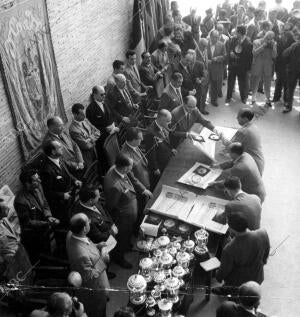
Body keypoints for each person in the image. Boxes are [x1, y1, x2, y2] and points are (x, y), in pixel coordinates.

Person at [103, 154, 152, 268]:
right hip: (123, 217)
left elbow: (133, 179)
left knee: (126, 236)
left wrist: (143, 189)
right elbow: (111, 206)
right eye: (130, 166)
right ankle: (119, 257)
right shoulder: (114, 185)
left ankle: (126, 246)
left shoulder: (121, 170)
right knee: (121, 238)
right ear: (124, 167)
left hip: (129, 215)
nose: (132, 167)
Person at [214, 213, 270, 294]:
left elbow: (224, 270)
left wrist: (217, 276)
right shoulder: (262, 233)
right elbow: (266, 251)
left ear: (232, 229)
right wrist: (263, 262)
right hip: (258, 277)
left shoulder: (229, 249)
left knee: (236, 297)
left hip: (239, 284)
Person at [66, 213, 109, 317]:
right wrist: (103, 260)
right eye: (88, 221)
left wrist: (98, 246)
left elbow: (87, 244)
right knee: (100, 312)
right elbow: (89, 277)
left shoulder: (73, 234)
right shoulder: (81, 255)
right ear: (84, 228)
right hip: (95, 292)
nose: (90, 221)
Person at [14, 169, 59, 262]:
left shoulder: (38, 187)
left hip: (44, 227)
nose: (40, 181)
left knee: (48, 250)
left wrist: (48, 216)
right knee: (40, 257)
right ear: (27, 183)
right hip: (34, 235)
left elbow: (45, 203)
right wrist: (47, 224)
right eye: (36, 180)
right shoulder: (20, 201)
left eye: (38, 178)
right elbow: (27, 223)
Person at [40, 140, 82, 225]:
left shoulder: (59, 158)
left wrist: (75, 180)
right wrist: (62, 195)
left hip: (70, 196)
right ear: (53, 152)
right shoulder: (46, 170)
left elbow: (67, 173)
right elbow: (47, 192)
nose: (62, 148)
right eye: (59, 147)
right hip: (61, 204)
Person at [86, 85, 119, 173]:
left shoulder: (106, 103)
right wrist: (105, 129)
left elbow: (111, 115)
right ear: (94, 95)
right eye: (101, 95)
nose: (104, 96)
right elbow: (92, 127)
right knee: (106, 160)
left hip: (112, 136)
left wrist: (114, 126)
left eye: (104, 94)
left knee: (115, 156)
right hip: (102, 140)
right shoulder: (90, 109)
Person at [222, 108, 264, 175]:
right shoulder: (253, 126)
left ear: (245, 119)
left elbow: (231, 147)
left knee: (222, 159)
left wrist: (222, 139)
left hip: (250, 165)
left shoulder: (243, 132)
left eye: (238, 117)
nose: (236, 118)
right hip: (258, 162)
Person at [0, 198, 32, 284]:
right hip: (10, 264)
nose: (9, 208)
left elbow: (13, 236)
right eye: (5, 208)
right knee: (21, 286)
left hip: (20, 255)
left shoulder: (4, 219)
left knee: (29, 275)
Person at [144, 109, 177, 188]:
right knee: (158, 185)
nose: (169, 123)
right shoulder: (150, 132)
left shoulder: (163, 126)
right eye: (168, 121)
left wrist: (171, 148)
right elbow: (151, 152)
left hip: (166, 158)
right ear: (161, 119)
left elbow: (165, 140)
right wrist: (155, 168)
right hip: (159, 164)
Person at [226, 25, 253, 104]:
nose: (235, 33)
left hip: (242, 68)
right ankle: (228, 97)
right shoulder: (234, 39)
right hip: (232, 66)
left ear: (240, 33)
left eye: (236, 32)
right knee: (230, 82)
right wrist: (231, 52)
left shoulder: (248, 43)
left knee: (242, 84)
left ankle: (243, 97)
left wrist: (247, 69)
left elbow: (249, 58)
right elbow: (230, 48)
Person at [69, 103, 100, 168]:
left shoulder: (85, 120)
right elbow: (85, 145)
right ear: (75, 114)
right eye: (82, 114)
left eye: (84, 113)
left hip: (95, 150)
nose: (85, 116)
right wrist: (92, 137)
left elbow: (98, 132)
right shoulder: (73, 129)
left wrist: (89, 139)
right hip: (87, 156)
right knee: (93, 172)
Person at [251, 31, 277, 107]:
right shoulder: (256, 41)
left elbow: (274, 56)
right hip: (258, 65)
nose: (269, 40)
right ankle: (253, 99)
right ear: (265, 36)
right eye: (267, 38)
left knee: (267, 84)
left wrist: (274, 47)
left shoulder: (273, 44)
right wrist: (263, 45)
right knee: (255, 83)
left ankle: (268, 100)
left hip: (267, 66)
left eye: (271, 38)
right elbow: (254, 53)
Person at [273, 22, 294, 107]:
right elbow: (277, 50)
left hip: (287, 65)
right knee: (278, 81)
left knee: (286, 84)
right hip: (279, 63)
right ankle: (276, 97)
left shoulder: (292, 40)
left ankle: (286, 100)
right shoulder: (279, 37)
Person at [282, 26, 300, 113]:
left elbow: (284, 54)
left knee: (291, 88)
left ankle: (288, 106)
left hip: (292, 69)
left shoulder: (294, 45)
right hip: (294, 70)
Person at [207, 30, 226, 107]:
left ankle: (214, 100)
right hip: (207, 69)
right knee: (206, 85)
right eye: (214, 37)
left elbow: (224, 56)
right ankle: (204, 99)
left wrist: (217, 58)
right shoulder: (206, 43)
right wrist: (206, 60)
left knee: (215, 85)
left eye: (217, 37)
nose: (216, 39)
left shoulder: (221, 45)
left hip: (217, 69)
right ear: (210, 36)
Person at [195, 38, 210, 114]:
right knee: (199, 95)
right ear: (199, 44)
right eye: (204, 45)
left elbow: (206, 62)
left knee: (204, 94)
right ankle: (199, 111)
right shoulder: (195, 52)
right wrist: (199, 78)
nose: (205, 47)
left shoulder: (205, 50)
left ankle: (202, 109)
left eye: (206, 46)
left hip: (206, 77)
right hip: (199, 78)